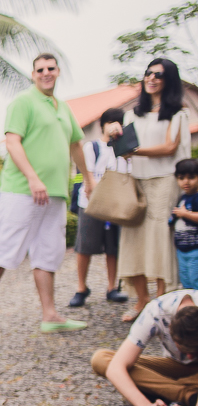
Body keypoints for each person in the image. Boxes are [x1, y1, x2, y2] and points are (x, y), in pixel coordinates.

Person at [0, 53, 94, 337]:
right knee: (2, 249)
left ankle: (50, 315)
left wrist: (88, 178)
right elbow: (12, 143)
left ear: (58, 71)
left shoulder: (63, 108)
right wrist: (33, 178)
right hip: (22, 190)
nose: (46, 73)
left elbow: (76, 145)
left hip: (57, 193)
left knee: (49, 252)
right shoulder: (23, 102)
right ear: (33, 74)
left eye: (51, 68)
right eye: (40, 69)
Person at [118, 57, 192, 321]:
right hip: (136, 182)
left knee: (160, 238)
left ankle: (161, 300)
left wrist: (133, 149)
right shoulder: (130, 115)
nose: (151, 78)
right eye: (148, 73)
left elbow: (169, 147)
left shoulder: (178, 113)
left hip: (165, 181)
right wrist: (115, 138)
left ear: (168, 80)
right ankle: (141, 300)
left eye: (158, 75)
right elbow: (123, 153)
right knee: (133, 239)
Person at [91, 289, 198, 406]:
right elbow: (115, 368)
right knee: (101, 359)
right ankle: (189, 395)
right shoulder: (156, 311)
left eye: (194, 351)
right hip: (176, 367)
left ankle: (175, 393)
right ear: (171, 330)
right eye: (185, 350)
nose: (190, 356)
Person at [69, 108, 131, 307]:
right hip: (90, 204)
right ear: (102, 125)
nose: (114, 125)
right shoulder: (92, 147)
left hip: (114, 206)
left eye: (118, 122)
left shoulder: (123, 149)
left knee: (112, 248)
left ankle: (112, 287)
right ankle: (81, 287)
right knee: (84, 247)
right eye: (110, 122)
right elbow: (84, 174)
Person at [170, 159, 198, 289]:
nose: (186, 181)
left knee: (195, 279)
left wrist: (185, 214)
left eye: (191, 177)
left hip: (195, 248)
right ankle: (190, 308)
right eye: (181, 178)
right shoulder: (182, 198)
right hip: (182, 249)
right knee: (186, 281)